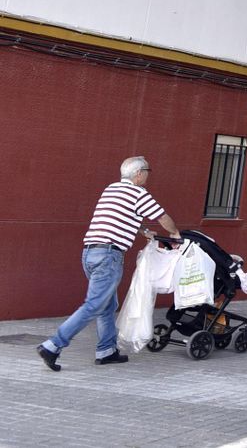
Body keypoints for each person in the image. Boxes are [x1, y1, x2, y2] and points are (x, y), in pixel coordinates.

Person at [38, 155, 180, 370]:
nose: (148, 176)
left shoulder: (111, 189)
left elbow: (118, 215)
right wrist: (176, 233)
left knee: (107, 305)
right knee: (94, 304)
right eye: (147, 172)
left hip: (90, 253)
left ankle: (107, 351)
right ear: (139, 173)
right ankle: (52, 345)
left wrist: (141, 231)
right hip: (109, 256)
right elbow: (162, 217)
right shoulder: (139, 193)